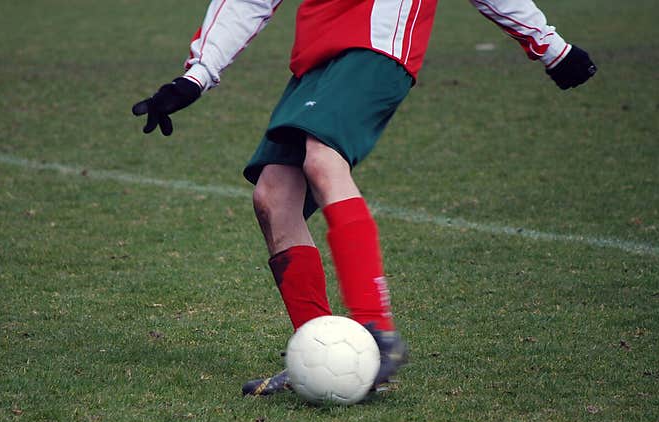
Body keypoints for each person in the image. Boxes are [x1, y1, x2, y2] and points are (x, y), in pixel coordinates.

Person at [132, 0, 596, 397]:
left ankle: (379, 331)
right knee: (273, 198)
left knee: (321, 161)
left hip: (377, 41)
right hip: (316, 58)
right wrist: (196, 76)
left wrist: (550, 46)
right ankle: (322, 351)